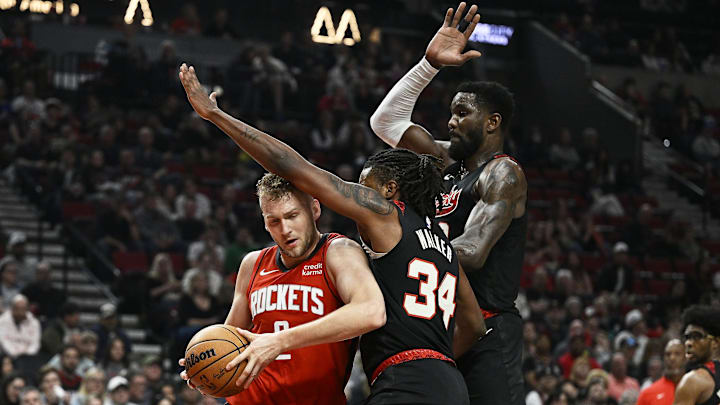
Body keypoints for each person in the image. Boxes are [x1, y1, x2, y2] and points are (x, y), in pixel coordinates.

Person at [179, 54, 485, 405]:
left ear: (387, 191)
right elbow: (474, 325)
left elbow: (292, 166)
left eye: (364, 186)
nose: (357, 196)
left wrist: (217, 116)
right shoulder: (442, 245)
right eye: (272, 220)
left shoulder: (382, 217)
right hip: (447, 379)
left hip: (402, 379)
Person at [368, 3, 526, 404]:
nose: (451, 122)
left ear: (492, 123)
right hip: (441, 322)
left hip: (489, 326)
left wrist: (403, 251)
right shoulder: (442, 164)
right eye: (450, 113)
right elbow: (384, 123)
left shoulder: (502, 174)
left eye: (462, 113)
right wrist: (427, 65)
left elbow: (471, 253)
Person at [178, 173, 386, 405]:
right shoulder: (253, 264)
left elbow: (371, 311)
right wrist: (205, 365)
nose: (285, 229)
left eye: (292, 215)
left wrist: (279, 341)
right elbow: (230, 338)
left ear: (315, 210)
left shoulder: (338, 251)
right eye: (274, 220)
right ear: (265, 223)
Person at [672, 305, 720, 405]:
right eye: (687, 337)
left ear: (715, 342)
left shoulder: (692, 381)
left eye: (697, 336)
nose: (688, 343)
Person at [637, 339, 685, 405]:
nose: (672, 358)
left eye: (677, 354)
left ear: (685, 358)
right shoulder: (647, 393)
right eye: (668, 354)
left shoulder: (696, 389)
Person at [0, 295, 41, 359]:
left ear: (27, 309)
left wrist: (28, 354)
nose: (20, 312)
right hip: (7, 356)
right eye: (18, 309)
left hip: (28, 357)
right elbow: (3, 341)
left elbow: (35, 343)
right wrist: (15, 354)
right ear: (12, 308)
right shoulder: (2, 320)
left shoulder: (34, 322)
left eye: (23, 309)